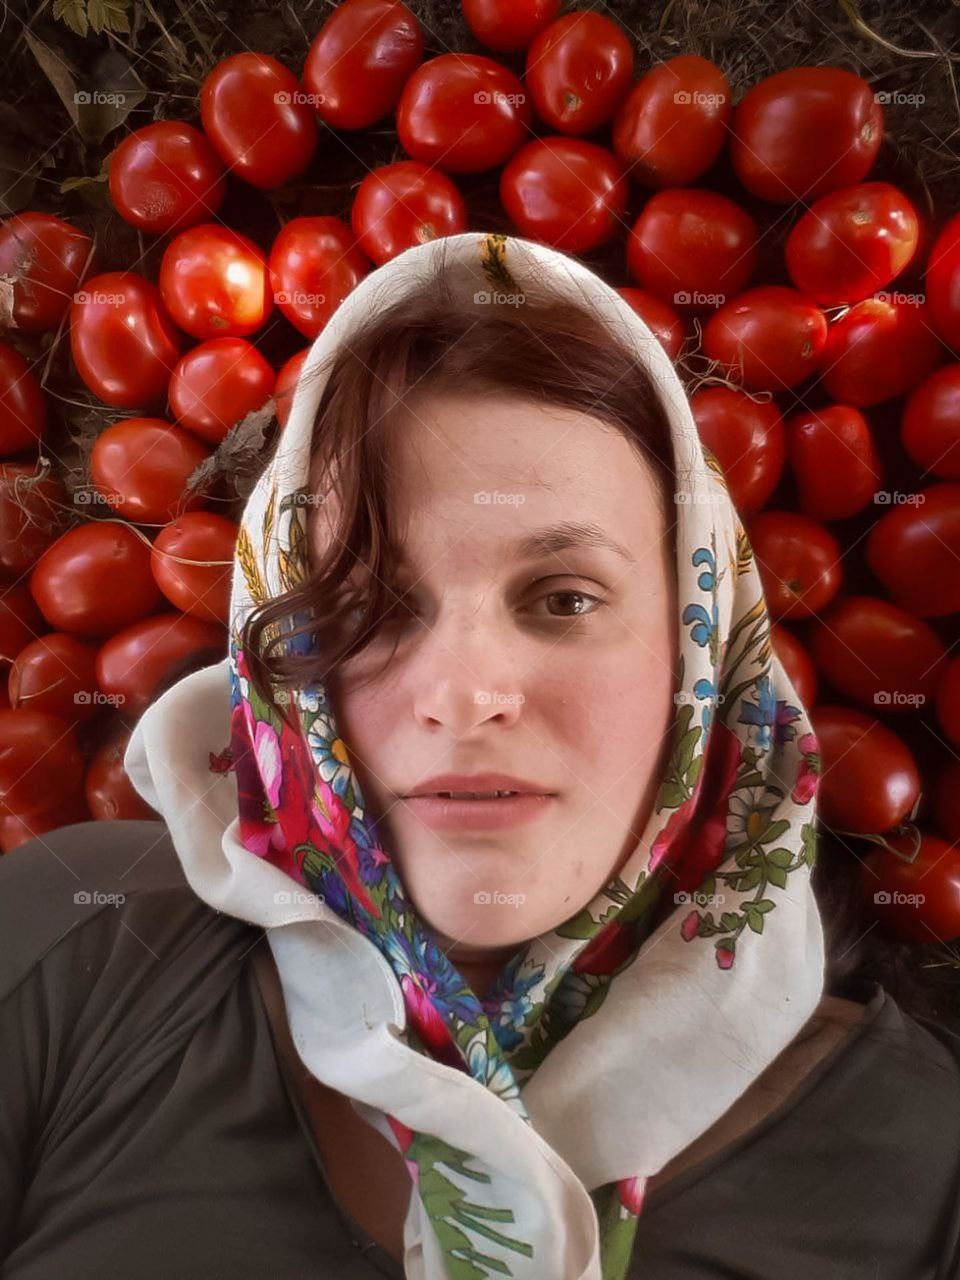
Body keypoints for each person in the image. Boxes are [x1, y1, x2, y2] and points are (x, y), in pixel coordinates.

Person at [1, 231, 958, 1279]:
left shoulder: (926, 1175)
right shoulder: (68, 951)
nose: (464, 697)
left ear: (701, 656)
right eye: (368, 604)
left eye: (563, 598)